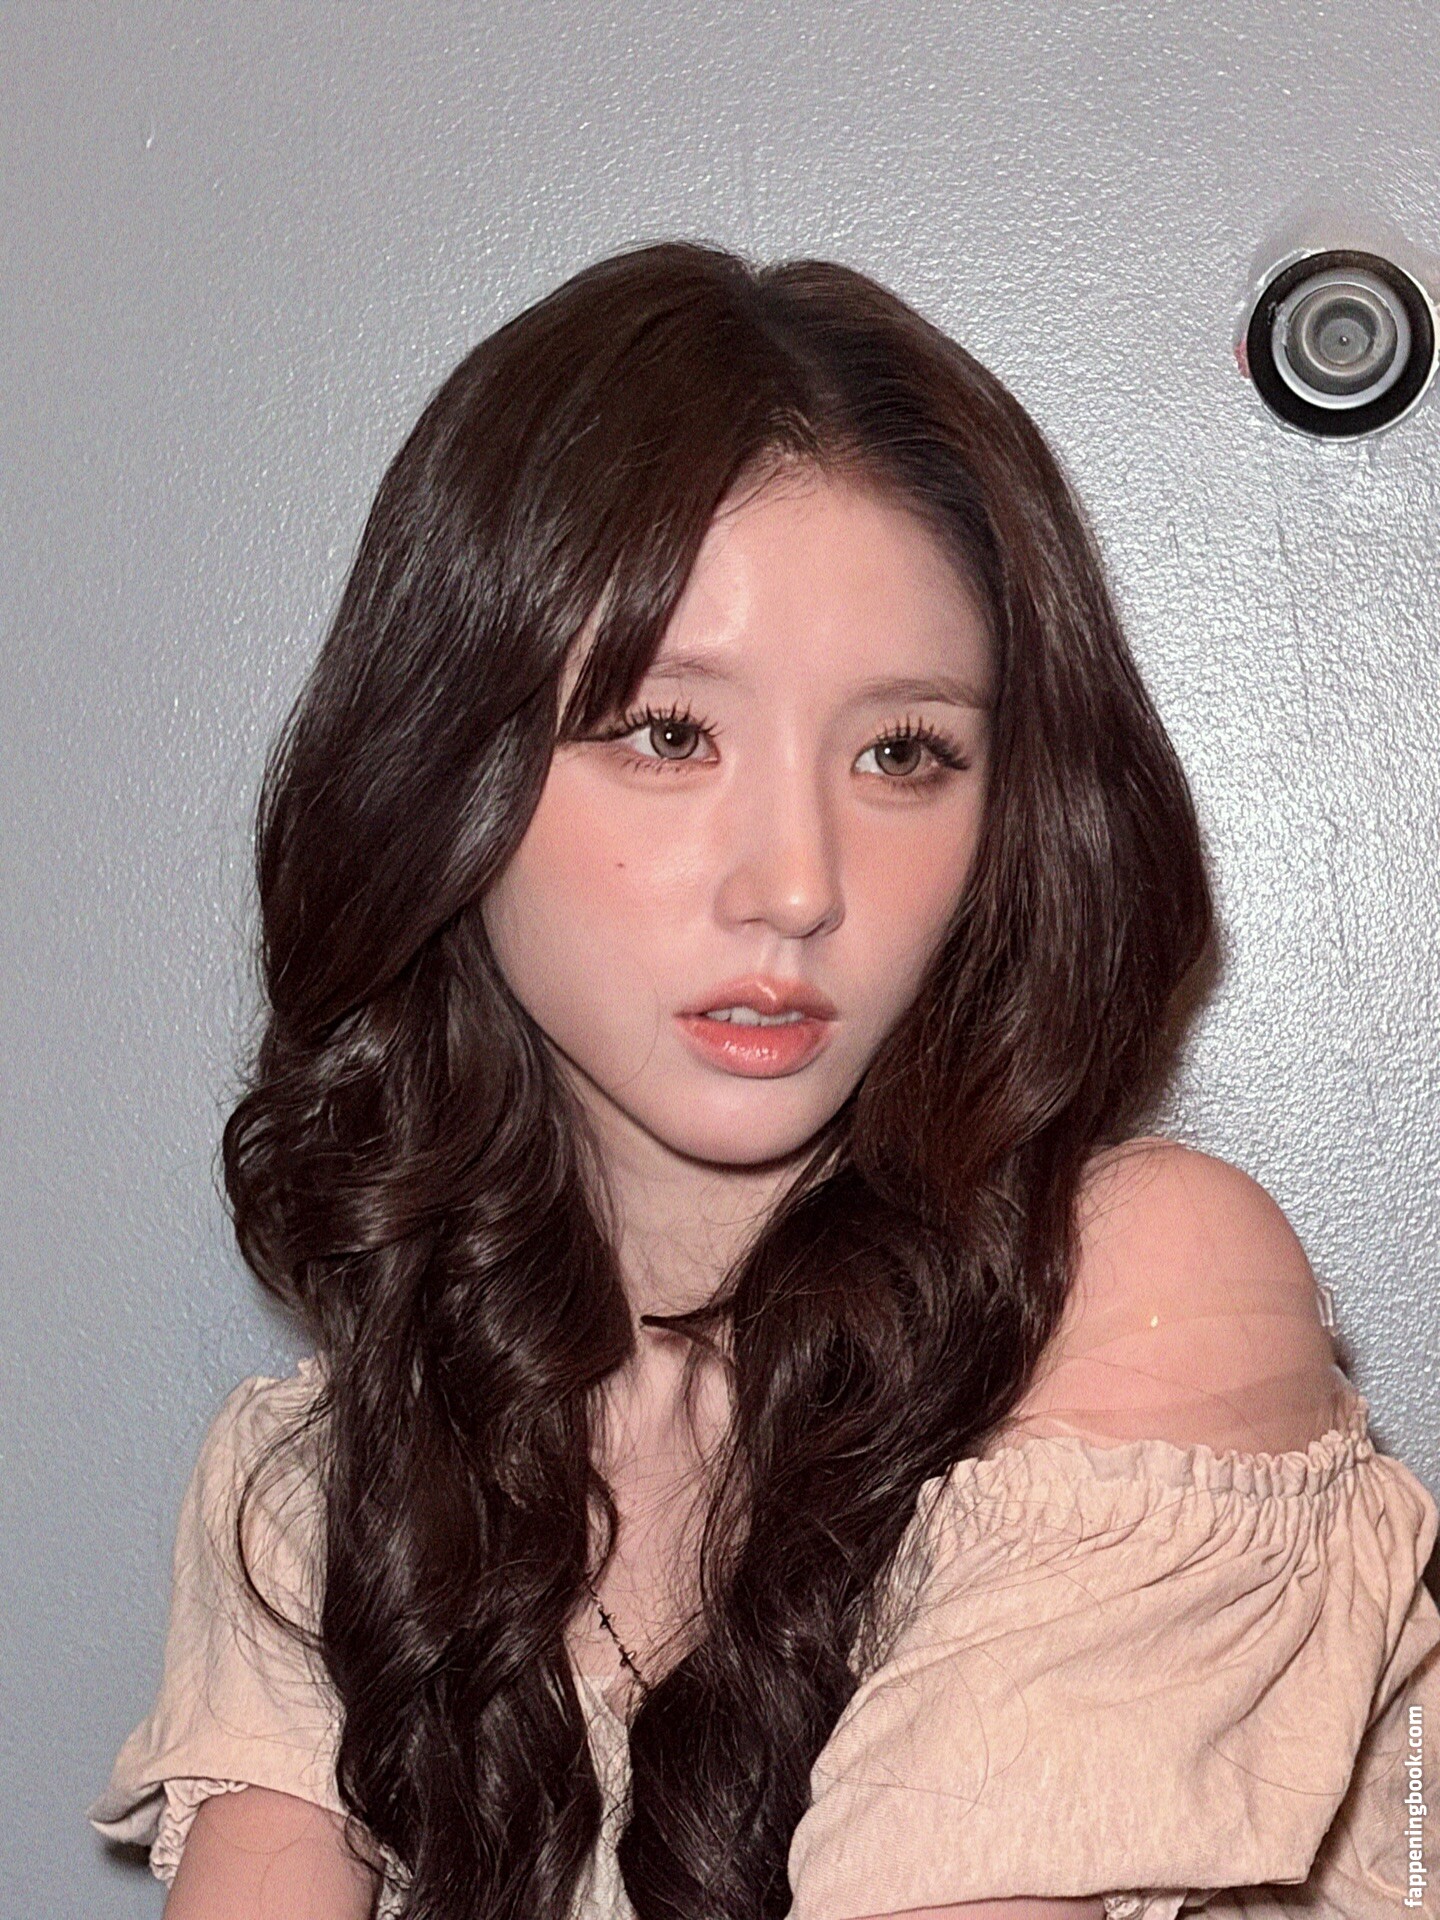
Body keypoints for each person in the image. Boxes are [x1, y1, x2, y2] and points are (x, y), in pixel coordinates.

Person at [89, 241, 1438, 1920]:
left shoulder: (1147, 1285)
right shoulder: (336, 1478)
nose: (795, 883)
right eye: (669, 734)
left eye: (903, 752)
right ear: (447, 774)